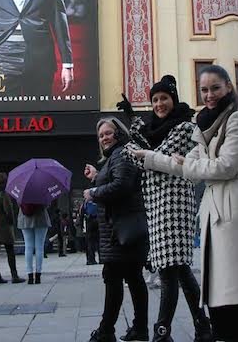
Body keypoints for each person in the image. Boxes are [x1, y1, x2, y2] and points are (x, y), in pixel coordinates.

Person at [133, 65, 238, 342]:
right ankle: (216, 332)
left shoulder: (237, 120)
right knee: (219, 289)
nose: (209, 95)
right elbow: (181, 163)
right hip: (215, 209)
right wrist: (149, 157)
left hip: (236, 206)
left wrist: (193, 165)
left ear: (229, 87)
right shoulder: (205, 124)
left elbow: (226, 167)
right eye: (204, 89)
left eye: (215, 88)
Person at [119, 75, 213, 342]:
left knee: (170, 269)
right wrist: (133, 125)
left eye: (164, 98)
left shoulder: (184, 127)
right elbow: (144, 151)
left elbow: (156, 157)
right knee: (179, 269)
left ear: (174, 99)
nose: (160, 104)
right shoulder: (152, 127)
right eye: (155, 99)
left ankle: (162, 331)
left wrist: (138, 151)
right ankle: (202, 328)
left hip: (175, 205)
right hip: (157, 204)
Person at [83, 117, 149, 342]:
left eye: (108, 133)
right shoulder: (116, 156)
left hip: (121, 230)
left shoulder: (121, 154)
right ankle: (137, 328)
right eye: (101, 135)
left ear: (118, 133)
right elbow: (115, 183)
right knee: (131, 278)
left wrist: (94, 193)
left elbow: (122, 186)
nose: (104, 138)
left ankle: (107, 330)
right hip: (117, 230)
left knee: (115, 278)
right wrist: (96, 178)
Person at [18, 201, 51, 284]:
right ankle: (38, 275)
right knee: (39, 247)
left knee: (28, 247)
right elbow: (47, 204)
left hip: (25, 219)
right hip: (41, 218)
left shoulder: (22, 192)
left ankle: (29, 275)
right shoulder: (41, 191)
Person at [82, 199, 100, 265]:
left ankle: (91, 259)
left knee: (90, 242)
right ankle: (101, 259)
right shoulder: (97, 203)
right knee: (98, 241)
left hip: (90, 224)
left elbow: (82, 214)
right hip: (97, 223)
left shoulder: (86, 204)